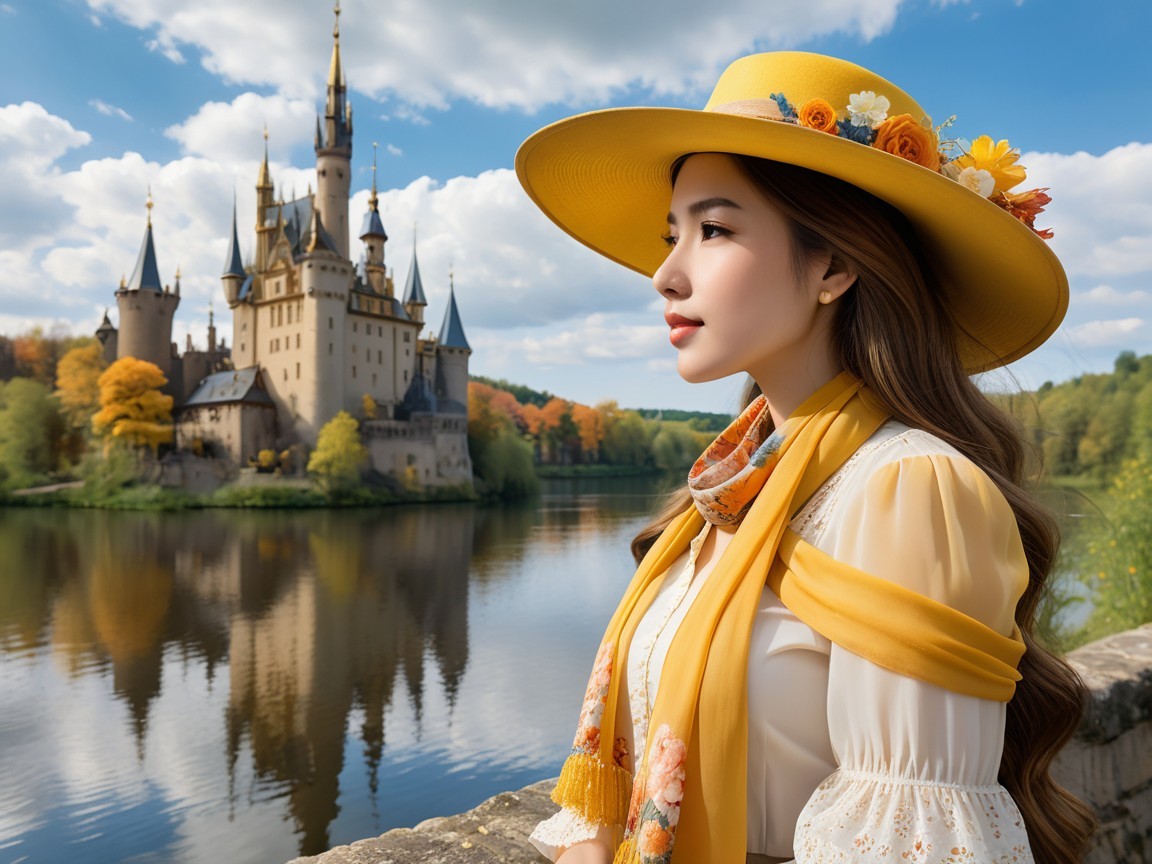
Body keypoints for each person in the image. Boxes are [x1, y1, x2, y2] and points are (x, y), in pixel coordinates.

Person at [514, 52, 1096, 864]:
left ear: (833, 266)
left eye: (713, 230)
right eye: (671, 234)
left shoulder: (909, 489)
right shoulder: (725, 494)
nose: (665, 274)